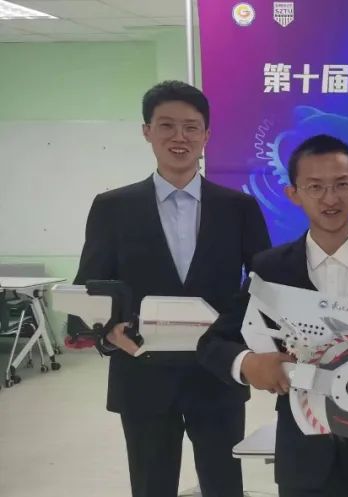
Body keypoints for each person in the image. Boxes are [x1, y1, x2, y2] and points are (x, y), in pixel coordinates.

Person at [196, 134, 348, 497]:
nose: (330, 198)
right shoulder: (270, 268)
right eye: (315, 187)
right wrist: (249, 364)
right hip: (304, 457)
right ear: (293, 194)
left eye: (341, 184)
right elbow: (214, 343)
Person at [70, 80, 272, 497]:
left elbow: (262, 283)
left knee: (224, 485)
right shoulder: (112, 207)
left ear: (206, 135)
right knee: (151, 486)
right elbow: (90, 287)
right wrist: (109, 332)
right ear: (147, 131)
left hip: (217, 373)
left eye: (191, 127)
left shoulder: (239, 208)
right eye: (166, 125)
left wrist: (239, 339)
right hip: (142, 372)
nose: (179, 137)